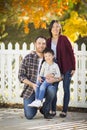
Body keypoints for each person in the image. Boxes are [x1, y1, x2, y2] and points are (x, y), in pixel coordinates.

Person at [18, 36, 59, 119]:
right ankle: (37, 104)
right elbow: (21, 75)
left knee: (52, 89)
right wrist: (32, 84)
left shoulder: (50, 58)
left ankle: (45, 108)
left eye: (43, 43)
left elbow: (60, 75)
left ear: (46, 45)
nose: (41, 45)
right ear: (35, 44)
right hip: (31, 89)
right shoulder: (28, 58)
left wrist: (54, 79)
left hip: (45, 86)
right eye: (39, 43)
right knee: (29, 115)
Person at [46, 20, 76, 118]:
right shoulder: (48, 41)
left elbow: (71, 52)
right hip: (55, 69)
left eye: (58, 27)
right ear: (50, 29)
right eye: (54, 27)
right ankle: (53, 110)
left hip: (66, 67)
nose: (56, 29)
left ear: (60, 28)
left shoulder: (64, 39)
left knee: (66, 89)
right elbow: (45, 55)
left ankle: (64, 111)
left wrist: (73, 67)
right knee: (53, 89)